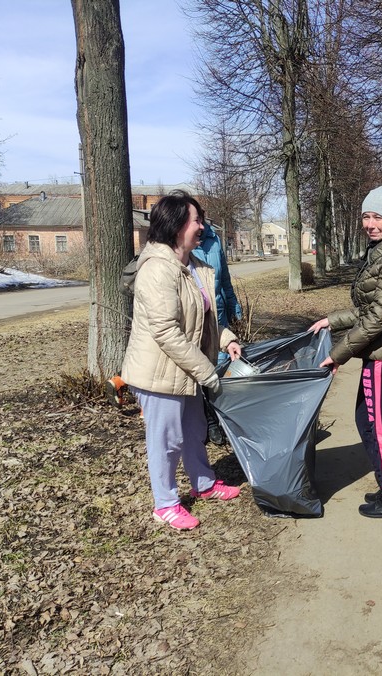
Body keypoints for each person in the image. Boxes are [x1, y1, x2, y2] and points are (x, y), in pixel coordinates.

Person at [121, 190, 244, 531]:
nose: (202, 227)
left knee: (193, 430)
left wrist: (227, 339)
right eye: (196, 221)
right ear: (176, 226)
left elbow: (205, 317)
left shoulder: (194, 265)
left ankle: (203, 484)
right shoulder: (158, 270)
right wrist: (207, 371)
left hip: (186, 370)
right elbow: (167, 332)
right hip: (157, 372)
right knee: (167, 439)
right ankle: (165, 503)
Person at [309, 186, 382, 520]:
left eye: (377, 216)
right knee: (367, 419)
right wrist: (330, 320)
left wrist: (338, 354)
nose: (370, 223)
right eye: (366, 216)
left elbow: (378, 317)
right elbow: (369, 309)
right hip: (381, 350)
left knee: (380, 426)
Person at [193, 219, 243, 445]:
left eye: (200, 219)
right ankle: (211, 422)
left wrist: (235, 309)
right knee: (202, 372)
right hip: (196, 321)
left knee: (220, 372)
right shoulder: (182, 245)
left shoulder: (214, 242)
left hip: (218, 316)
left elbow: (224, 281)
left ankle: (223, 420)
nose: (199, 225)